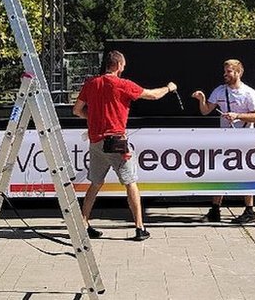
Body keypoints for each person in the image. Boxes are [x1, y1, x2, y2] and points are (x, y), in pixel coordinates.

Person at [73, 50, 177, 241]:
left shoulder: (91, 84)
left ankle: (83, 223)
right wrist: (169, 88)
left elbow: (77, 110)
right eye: (123, 64)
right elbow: (153, 95)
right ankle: (139, 227)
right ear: (119, 65)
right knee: (131, 183)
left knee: (95, 183)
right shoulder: (123, 84)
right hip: (116, 141)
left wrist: (94, 119)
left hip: (95, 141)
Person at [191, 59, 255, 224]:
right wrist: (201, 99)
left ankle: (249, 210)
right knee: (221, 171)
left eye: (229, 71)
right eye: (225, 72)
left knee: (245, 173)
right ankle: (215, 209)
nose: (225, 75)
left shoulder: (249, 93)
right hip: (224, 139)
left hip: (245, 139)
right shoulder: (219, 90)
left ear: (238, 73)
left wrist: (237, 116)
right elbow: (205, 111)